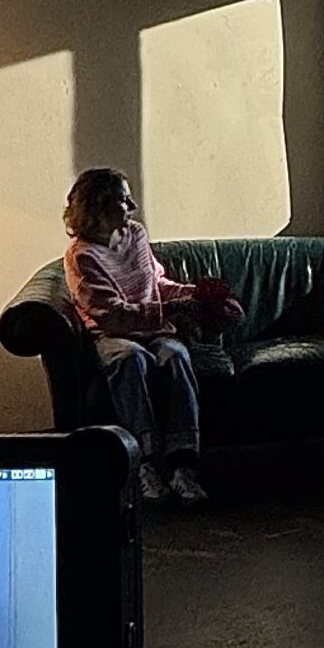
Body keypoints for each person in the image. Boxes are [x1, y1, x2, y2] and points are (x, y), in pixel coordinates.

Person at [62, 169, 243, 506]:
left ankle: (182, 466)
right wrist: (171, 310)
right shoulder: (81, 256)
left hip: (155, 329)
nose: (132, 206)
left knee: (176, 355)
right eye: (123, 199)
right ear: (99, 206)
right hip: (112, 335)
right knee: (130, 359)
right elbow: (110, 313)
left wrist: (197, 297)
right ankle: (144, 463)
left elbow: (157, 284)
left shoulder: (135, 235)